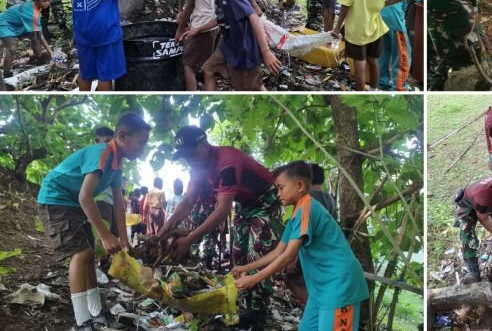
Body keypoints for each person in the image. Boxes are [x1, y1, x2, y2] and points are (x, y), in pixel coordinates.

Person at [160, 126, 284, 327]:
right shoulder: (198, 168)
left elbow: (222, 209)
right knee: (238, 254)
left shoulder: (227, 160)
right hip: (245, 204)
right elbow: (188, 199)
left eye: (191, 153)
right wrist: (166, 227)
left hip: (266, 201)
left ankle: (259, 312)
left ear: (204, 146)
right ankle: (247, 305)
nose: (189, 160)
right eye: (186, 156)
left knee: (257, 252)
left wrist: (190, 239)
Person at [37, 113, 150, 331]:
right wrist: (105, 235)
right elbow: (85, 196)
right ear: (122, 135)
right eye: (141, 142)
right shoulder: (104, 153)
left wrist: (124, 240)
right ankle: (82, 322)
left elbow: (118, 203)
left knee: (90, 257)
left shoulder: (117, 165)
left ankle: (97, 313)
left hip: (73, 203)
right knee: (82, 255)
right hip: (56, 198)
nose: (143, 148)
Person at [231, 161, 368, 330]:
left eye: (281, 188)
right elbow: (278, 252)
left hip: (340, 286)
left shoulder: (308, 208)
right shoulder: (297, 213)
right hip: (320, 290)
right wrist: (246, 267)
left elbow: (288, 256)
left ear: (300, 186)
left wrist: (253, 279)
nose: (277, 193)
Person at [197, 0, 282, 91]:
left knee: (251, 88)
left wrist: (266, 52)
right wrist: (197, 30)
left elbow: (252, 16)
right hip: (229, 45)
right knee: (208, 69)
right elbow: (222, 18)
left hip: (244, 48)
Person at [379, 0, 424, 91]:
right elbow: (422, 1)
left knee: (384, 50)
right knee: (402, 51)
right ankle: (399, 86)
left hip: (380, 13)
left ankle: (382, 82)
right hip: (394, 16)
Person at [0, 0, 54, 79]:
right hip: (4, 24)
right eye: (44, 1)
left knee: (34, 36)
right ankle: (7, 74)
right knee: (12, 48)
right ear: (35, 0)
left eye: (49, 0)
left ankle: (39, 59)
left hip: (19, 24)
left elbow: (37, 35)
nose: (47, 3)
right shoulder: (32, 14)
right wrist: (51, 53)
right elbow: (41, 35)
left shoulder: (35, 6)